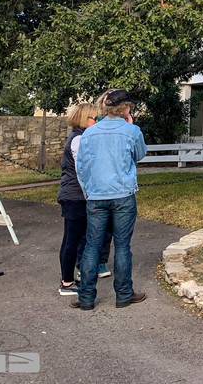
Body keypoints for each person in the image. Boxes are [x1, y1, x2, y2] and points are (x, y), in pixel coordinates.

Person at [72, 89, 148, 310]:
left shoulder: (89, 133)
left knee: (92, 246)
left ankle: (86, 297)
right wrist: (130, 125)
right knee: (122, 245)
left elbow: (82, 167)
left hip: (96, 195)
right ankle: (124, 294)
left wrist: (88, 191)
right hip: (123, 194)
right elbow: (139, 154)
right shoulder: (131, 131)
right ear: (125, 108)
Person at [56, 102, 114, 295]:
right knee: (72, 240)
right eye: (94, 118)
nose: (97, 121)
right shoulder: (78, 140)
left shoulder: (82, 137)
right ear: (85, 119)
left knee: (79, 238)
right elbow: (84, 170)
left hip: (77, 195)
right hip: (76, 197)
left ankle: (78, 274)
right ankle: (66, 282)